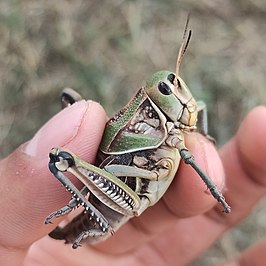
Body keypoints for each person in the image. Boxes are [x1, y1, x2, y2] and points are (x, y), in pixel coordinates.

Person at [0, 100, 265, 266]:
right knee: (64, 159)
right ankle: (89, 220)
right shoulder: (152, 128)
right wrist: (218, 195)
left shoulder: (170, 128)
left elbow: (202, 107)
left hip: (126, 192)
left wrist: (203, 136)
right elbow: (190, 161)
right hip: (119, 201)